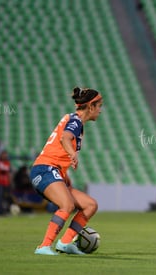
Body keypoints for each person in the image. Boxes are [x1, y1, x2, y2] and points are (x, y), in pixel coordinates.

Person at [30, 87, 102, 255]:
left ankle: (65, 242)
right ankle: (44, 246)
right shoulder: (75, 121)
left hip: (53, 170)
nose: (100, 110)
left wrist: (65, 176)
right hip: (44, 169)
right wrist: (73, 154)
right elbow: (65, 138)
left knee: (90, 205)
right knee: (67, 205)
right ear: (90, 106)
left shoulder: (74, 120)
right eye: (99, 106)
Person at [0, 150, 11, 215]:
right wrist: (0, 172)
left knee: (5, 197)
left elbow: (9, 173)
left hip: (5, 182)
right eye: (4, 154)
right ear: (1, 155)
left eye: (5, 155)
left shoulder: (7, 162)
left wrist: (9, 182)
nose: (5, 156)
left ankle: (4, 210)